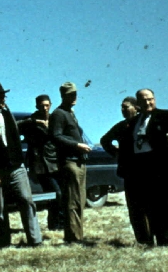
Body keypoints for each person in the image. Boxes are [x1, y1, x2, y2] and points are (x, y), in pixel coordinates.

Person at [0, 82, 42, 247]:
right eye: (0, 96)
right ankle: (3, 242)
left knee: (26, 200)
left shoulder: (7, 114)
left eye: (4, 96)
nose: (3, 99)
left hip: (16, 166)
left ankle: (35, 240)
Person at [127, 88, 168, 246]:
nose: (148, 102)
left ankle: (165, 240)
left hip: (160, 165)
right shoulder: (135, 121)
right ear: (138, 103)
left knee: (162, 203)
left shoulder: (165, 116)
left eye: (150, 99)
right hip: (141, 164)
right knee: (148, 203)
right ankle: (151, 238)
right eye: (144, 100)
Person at [100, 96, 150, 243]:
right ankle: (142, 239)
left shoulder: (143, 124)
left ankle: (153, 236)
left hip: (146, 171)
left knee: (148, 206)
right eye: (121, 107)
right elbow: (105, 140)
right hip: (129, 172)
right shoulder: (122, 126)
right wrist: (116, 152)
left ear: (136, 107)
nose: (122, 110)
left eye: (126, 107)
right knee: (134, 207)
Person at [49, 82, 91, 244]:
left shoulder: (69, 113)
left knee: (79, 199)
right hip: (69, 162)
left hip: (79, 161)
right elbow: (55, 136)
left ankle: (77, 235)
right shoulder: (59, 114)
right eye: (70, 94)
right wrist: (76, 145)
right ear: (63, 96)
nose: (74, 97)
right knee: (73, 201)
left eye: (74, 94)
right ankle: (74, 237)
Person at [20, 94, 63, 231]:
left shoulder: (55, 119)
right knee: (56, 193)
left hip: (55, 162)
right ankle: (55, 224)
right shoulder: (31, 121)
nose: (44, 108)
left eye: (47, 105)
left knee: (58, 194)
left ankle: (57, 224)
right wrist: (36, 122)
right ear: (37, 106)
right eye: (42, 105)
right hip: (40, 165)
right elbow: (15, 126)